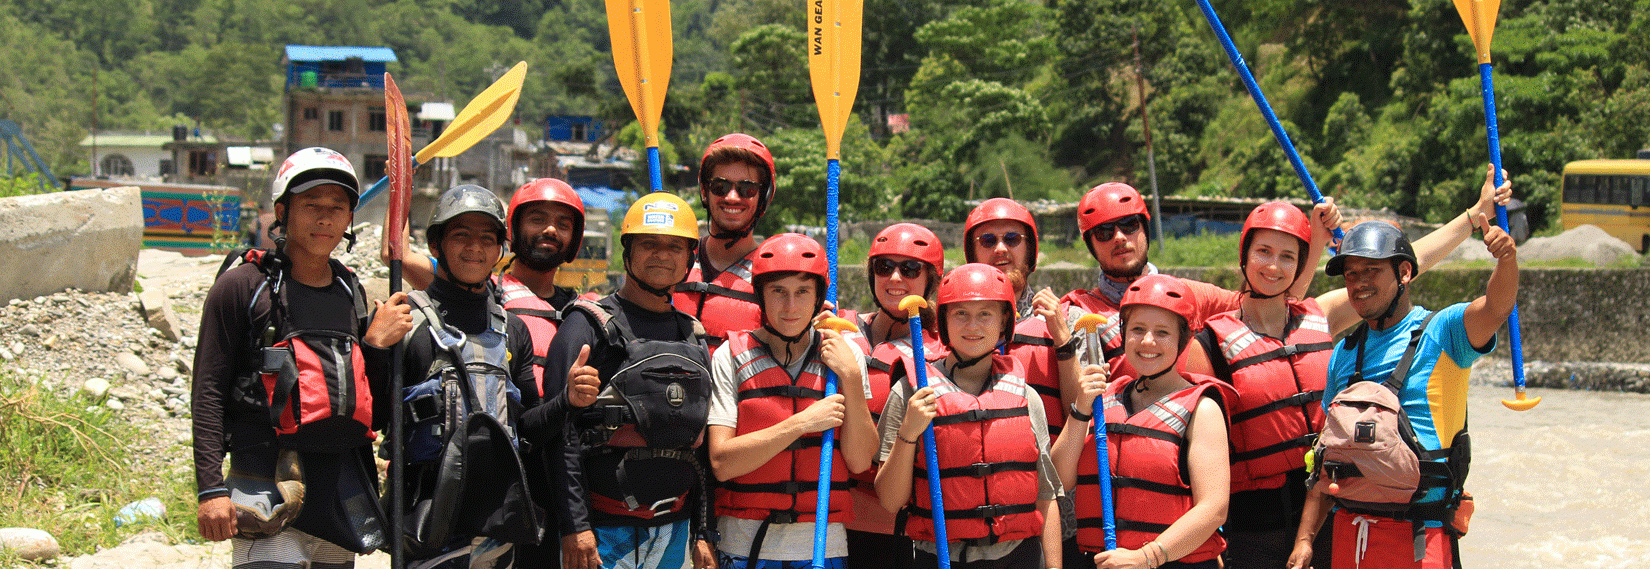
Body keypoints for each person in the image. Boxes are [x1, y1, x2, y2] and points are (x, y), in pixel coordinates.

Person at [193, 147, 414, 569]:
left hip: (339, 486)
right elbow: (207, 390)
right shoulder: (242, 286)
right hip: (264, 482)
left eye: (338, 208)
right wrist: (210, 489)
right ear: (282, 210)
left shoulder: (352, 292)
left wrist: (375, 347)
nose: (325, 219)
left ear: (350, 218)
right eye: (311, 205)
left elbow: (374, 407)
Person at [1287, 215, 1518, 569]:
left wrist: (1506, 261)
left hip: (1420, 537)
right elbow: (1326, 460)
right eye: (1352, 274)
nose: (1359, 283)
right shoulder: (1343, 353)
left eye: (1371, 271)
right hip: (1351, 535)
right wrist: (1304, 541)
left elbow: (1495, 308)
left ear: (1405, 273)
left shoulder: (1445, 331)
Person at [522, 192, 717, 569]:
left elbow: (700, 445)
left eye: (675, 246)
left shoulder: (693, 335)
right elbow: (561, 437)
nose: (662, 255)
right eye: (649, 244)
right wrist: (574, 527)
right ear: (627, 251)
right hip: (602, 532)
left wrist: (704, 531)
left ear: (691, 256)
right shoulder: (587, 325)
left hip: (673, 529)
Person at [387, 185, 547, 568]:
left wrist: (571, 401)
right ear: (437, 244)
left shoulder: (512, 329)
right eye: (461, 235)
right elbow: (375, 417)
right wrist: (378, 350)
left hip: (494, 521)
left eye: (487, 238)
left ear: (499, 251)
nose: (475, 248)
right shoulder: (406, 320)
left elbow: (529, 425)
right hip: (427, 515)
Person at [707, 233, 878, 568]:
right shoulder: (730, 355)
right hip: (743, 545)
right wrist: (801, 423)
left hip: (820, 547)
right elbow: (722, 463)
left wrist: (852, 381)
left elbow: (859, 462)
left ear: (817, 297)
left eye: (802, 292)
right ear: (761, 295)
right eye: (778, 292)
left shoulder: (846, 356)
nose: (790, 306)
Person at [874, 264, 1062, 569]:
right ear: (944, 322)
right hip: (940, 557)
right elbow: (890, 500)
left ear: (1004, 322)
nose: (972, 326)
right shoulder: (910, 392)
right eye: (960, 313)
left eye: (985, 314)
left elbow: (1046, 496)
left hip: (1018, 557)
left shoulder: (1028, 397)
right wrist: (909, 431)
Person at [1052, 275, 1236, 569]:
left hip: (1170, 561)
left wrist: (1145, 558)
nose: (1147, 341)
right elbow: (1060, 479)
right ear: (1124, 335)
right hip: (1103, 561)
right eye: (1137, 329)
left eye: (1162, 332)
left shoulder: (1202, 409)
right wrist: (1080, 409)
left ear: (1183, 339)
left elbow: (1214, 509)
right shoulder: (1103, 398)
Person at [840, 223, 946, 569]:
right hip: (826, 522)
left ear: (931, 278)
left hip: (894, 533)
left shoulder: (938, 355)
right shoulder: (839, 329)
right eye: (884, 267)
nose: (895, 278)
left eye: (911, 269)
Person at [673, 133, 778, 349]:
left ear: (763, 198)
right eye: (720, 186)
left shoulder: (774, 278)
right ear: (704, 190)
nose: (732, 197)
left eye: (747, 189)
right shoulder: (671, 260)